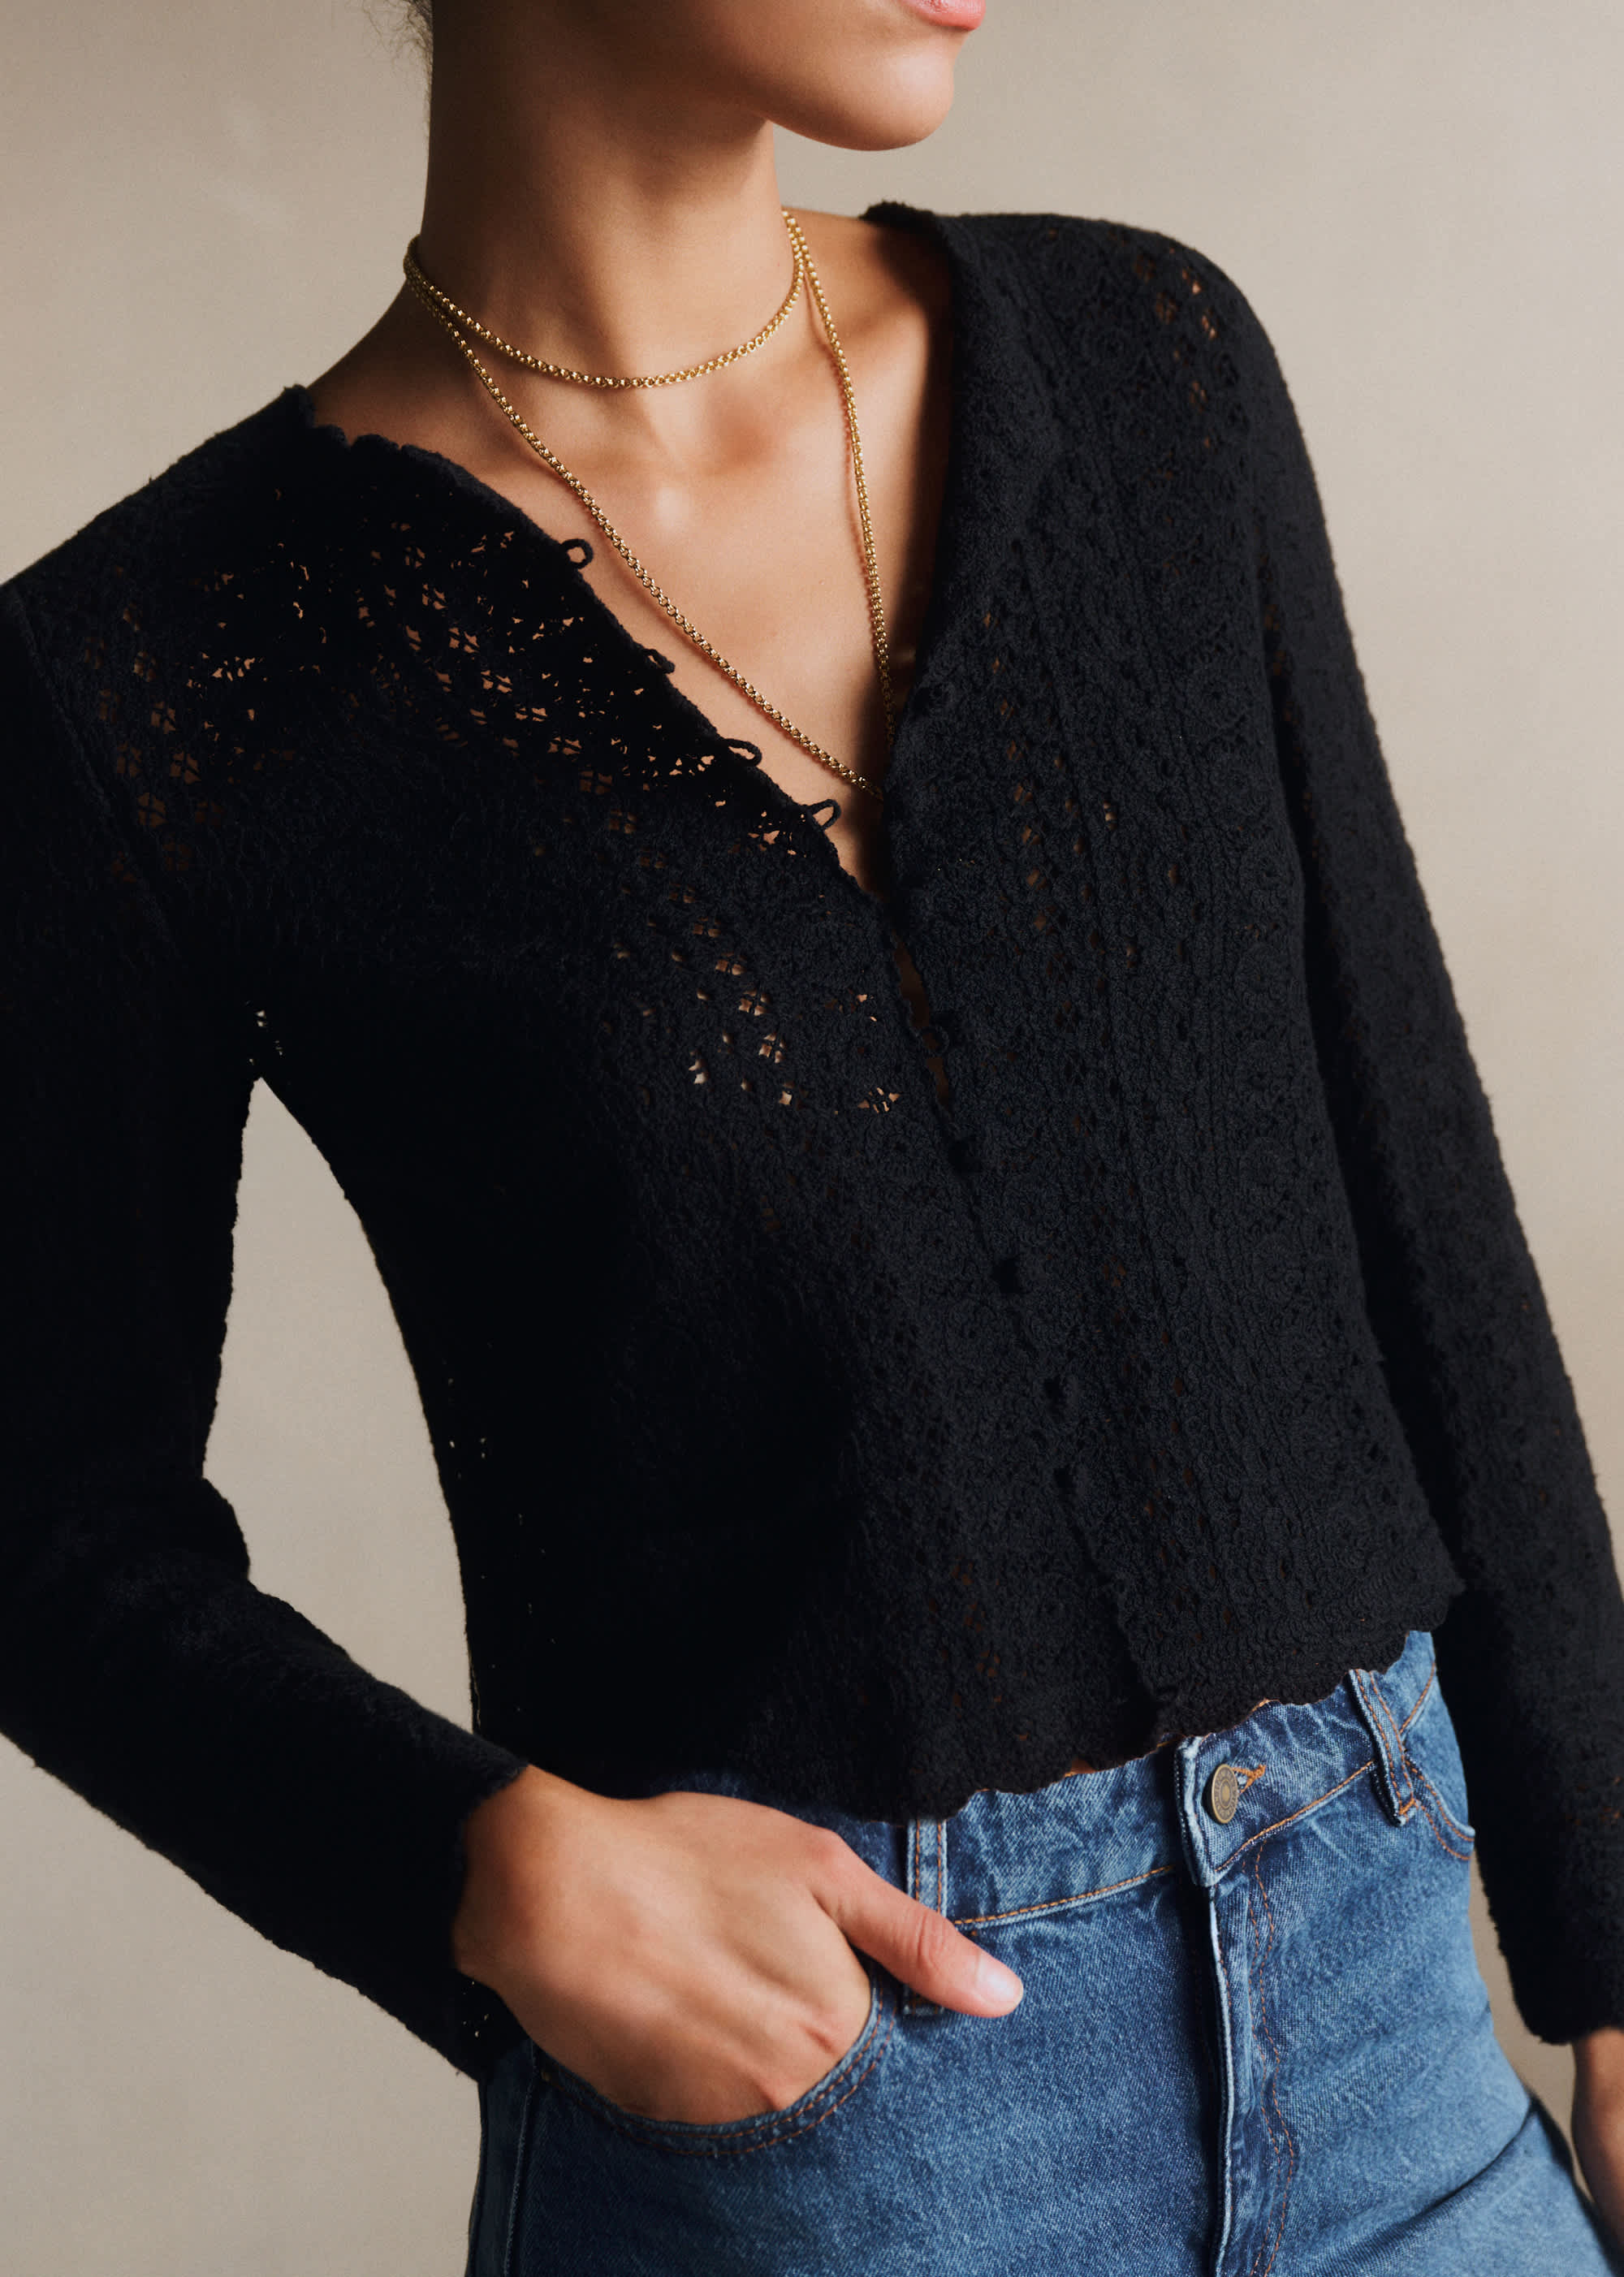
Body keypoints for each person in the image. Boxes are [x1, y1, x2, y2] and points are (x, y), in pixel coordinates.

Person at [3, 1, 1622, 2268]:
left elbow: (1409, 1175)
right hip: (831, 2156)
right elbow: (43, 1516)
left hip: (1399, 2066)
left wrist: (1609, 1919)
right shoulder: (163, 676)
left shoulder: (1146, 369)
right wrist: (474, 1864)